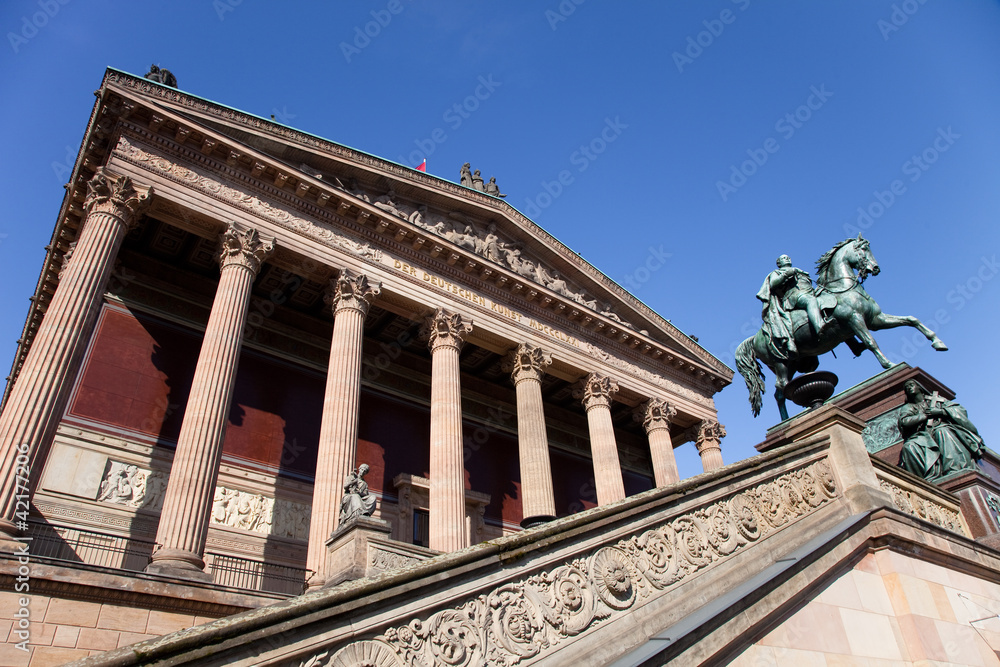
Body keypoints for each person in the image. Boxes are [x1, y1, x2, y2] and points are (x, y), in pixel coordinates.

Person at [898, 380, 984, 481]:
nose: (909, 388)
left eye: (911, 385)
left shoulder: (936, 400)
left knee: (942, 431)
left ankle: (954, 468)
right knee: (909, 446)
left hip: (941, 428)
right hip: (922, 436)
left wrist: (940, 411)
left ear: (919, 387)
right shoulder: (908, 407)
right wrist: (924, 416)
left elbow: (960, 411)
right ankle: (923, 481)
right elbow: (904, 421)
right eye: (906, 387)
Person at [756, 254, 826, 357]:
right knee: (810, 301)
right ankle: (820, 327)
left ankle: (852, 343)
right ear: (779, 263)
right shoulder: (776, 273)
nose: (787, 258)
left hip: (808, 292)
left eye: (788, 257)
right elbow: (772, 284)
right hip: (793, 296)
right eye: (784, 258)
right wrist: (786, 274)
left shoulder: (799, 270)